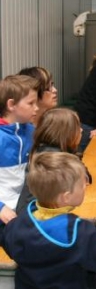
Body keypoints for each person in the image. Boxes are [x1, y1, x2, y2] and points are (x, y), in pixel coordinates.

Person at [0, 152, 96, 289]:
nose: (85, 186)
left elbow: (11, 248)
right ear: (66, 197)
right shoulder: (78, 232)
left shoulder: (17, 223)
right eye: (82, 184)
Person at [15, 107, 91, 214]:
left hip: (31, 212)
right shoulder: (54, 159)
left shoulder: (46, 149)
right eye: (77, 127)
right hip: (36, 217)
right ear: (65, 133)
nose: (81, 130)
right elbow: (85, 177)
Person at [0, 75, 38, 225]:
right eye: (31, 103)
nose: (36, 108)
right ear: (11, 105)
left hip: (23, 207)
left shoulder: (30, 131)